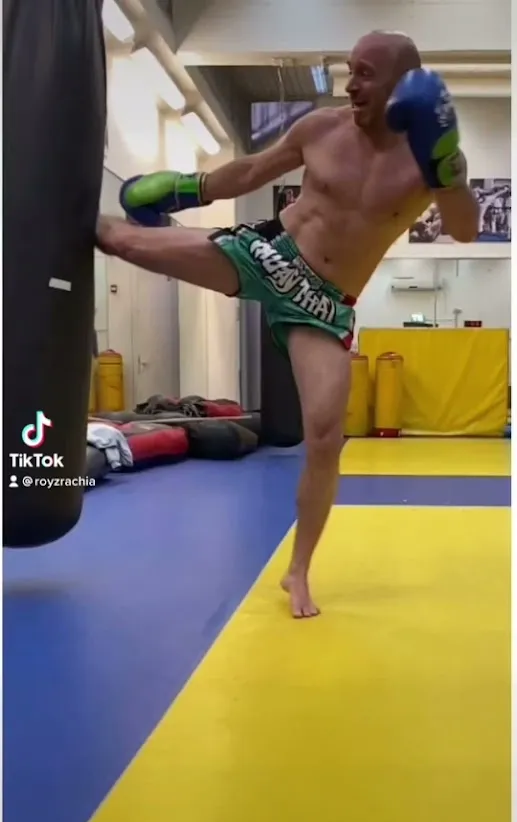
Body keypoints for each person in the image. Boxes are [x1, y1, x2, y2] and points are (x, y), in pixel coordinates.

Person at [96, 31, 479, 619]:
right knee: (123, 241)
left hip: (323, 304)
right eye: (349, 70)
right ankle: (47, 207)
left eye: (365, 73)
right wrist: (185, 189)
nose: (350, 85)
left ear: (402, 85)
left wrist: (447, 163)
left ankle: (297, 571)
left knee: (324, 437)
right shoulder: (321, 129)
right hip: (267, 253)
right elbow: (250, 171)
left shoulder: (427, 162)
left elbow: (466, 229)